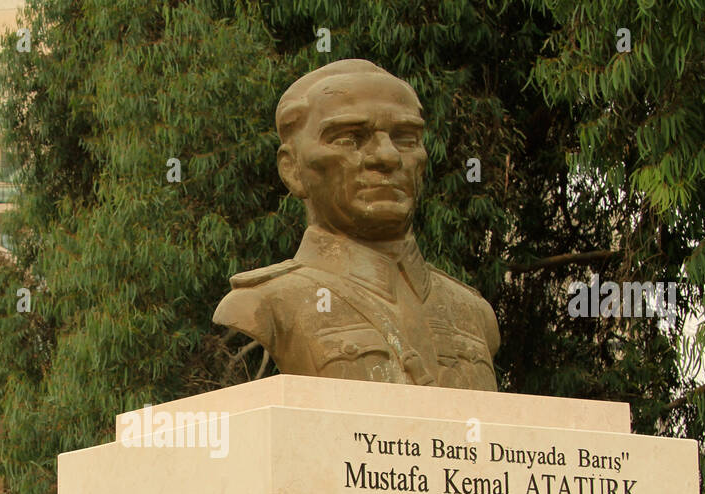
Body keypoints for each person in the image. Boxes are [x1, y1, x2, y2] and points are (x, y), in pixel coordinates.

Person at [214, 59, 500, 390]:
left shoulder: (474, 313)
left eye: (406, 138)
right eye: (350, 138)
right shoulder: (262, 306)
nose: (387, 156)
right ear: (292, 169)